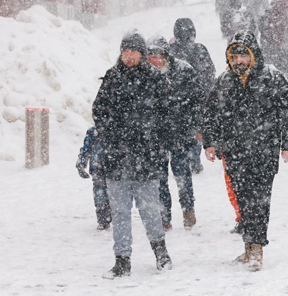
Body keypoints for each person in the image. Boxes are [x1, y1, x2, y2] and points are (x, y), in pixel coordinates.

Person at [202, 31, 288, 270]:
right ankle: (248, 247)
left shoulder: (272, 78)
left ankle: (257, 248)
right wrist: (210, 142)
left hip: (264, 151)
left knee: (259, 201)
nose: (239, 61)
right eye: (234, 56)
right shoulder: (224, 81)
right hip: (234, 153)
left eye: (243, 55)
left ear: (253, 55)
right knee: (243, 201)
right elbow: (211, 113)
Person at [92, 32, 172, 278]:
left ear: (142, 54)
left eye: (133, 52)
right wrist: (111, 135)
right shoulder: (112, 78)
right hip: (116, 159)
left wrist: (154, 141)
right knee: (120, 212)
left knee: (149, 209)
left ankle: (161, 253)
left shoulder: (156, 80)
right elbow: (99, 111)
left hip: (146, 159)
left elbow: (167, 117)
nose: (128, 57)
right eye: (125, 52)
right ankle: (122, 260)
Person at [148, 36, 204, 231]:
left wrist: (197, 126)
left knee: (182, 174)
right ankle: (164, 216)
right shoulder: (144, 74)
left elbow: (197, 100)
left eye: (158, 56)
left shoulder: (184, 70)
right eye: (151, 56)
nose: (155, 60)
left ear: (166, 55)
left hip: (180, 131)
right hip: (156, 135)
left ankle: (188, 210)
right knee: (159, 178)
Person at [170, 18, 216, 174]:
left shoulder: (171, 51)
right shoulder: (200, 49)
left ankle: (180, 159)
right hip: (197, 96)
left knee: (178, 129)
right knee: (196, 127)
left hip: (176, 99)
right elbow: (209, 73)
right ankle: (194, 160)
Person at [76, 126, 111, 230]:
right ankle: (103, 218)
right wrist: (81, 165)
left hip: (113, 169)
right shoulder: (93, 132)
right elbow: (85, 149)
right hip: (99, 169)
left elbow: (85, 150)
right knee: (100, 195)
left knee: (110, 194)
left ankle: (108, 216)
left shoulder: (116, 128)